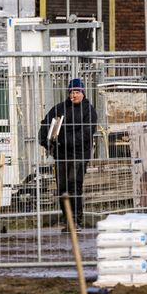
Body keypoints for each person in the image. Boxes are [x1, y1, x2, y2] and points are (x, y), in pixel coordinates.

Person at [39, 78, 97, 230]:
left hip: (79, 154)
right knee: (62, 188)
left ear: (83, 93)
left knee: (74, 185)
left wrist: (63, 139)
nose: (74, 95)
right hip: (61, 155)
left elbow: (86, 133)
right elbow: (46, 123)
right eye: (71, 92)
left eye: (77, 92)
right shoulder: (60, 108)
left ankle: (76, 220)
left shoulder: (88, 111)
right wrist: (45, 140)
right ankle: (67, 219)